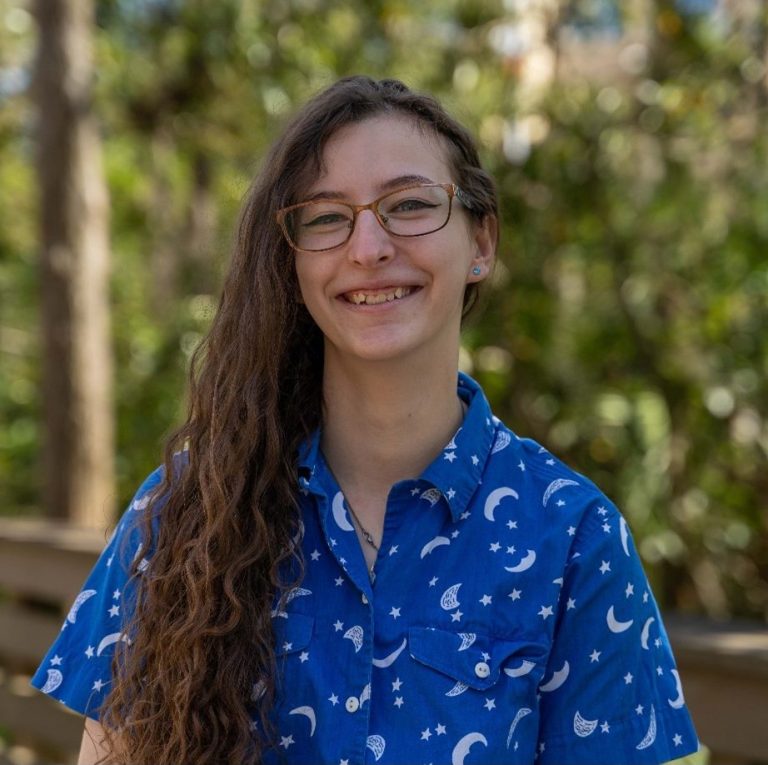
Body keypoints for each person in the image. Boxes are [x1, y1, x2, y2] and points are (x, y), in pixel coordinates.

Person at [32, 75, 699, 765]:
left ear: (482, 242)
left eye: (409, 204)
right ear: (291, 261)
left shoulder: (574, 538)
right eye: (326, 217)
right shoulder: (184, 508)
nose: (369, 246)